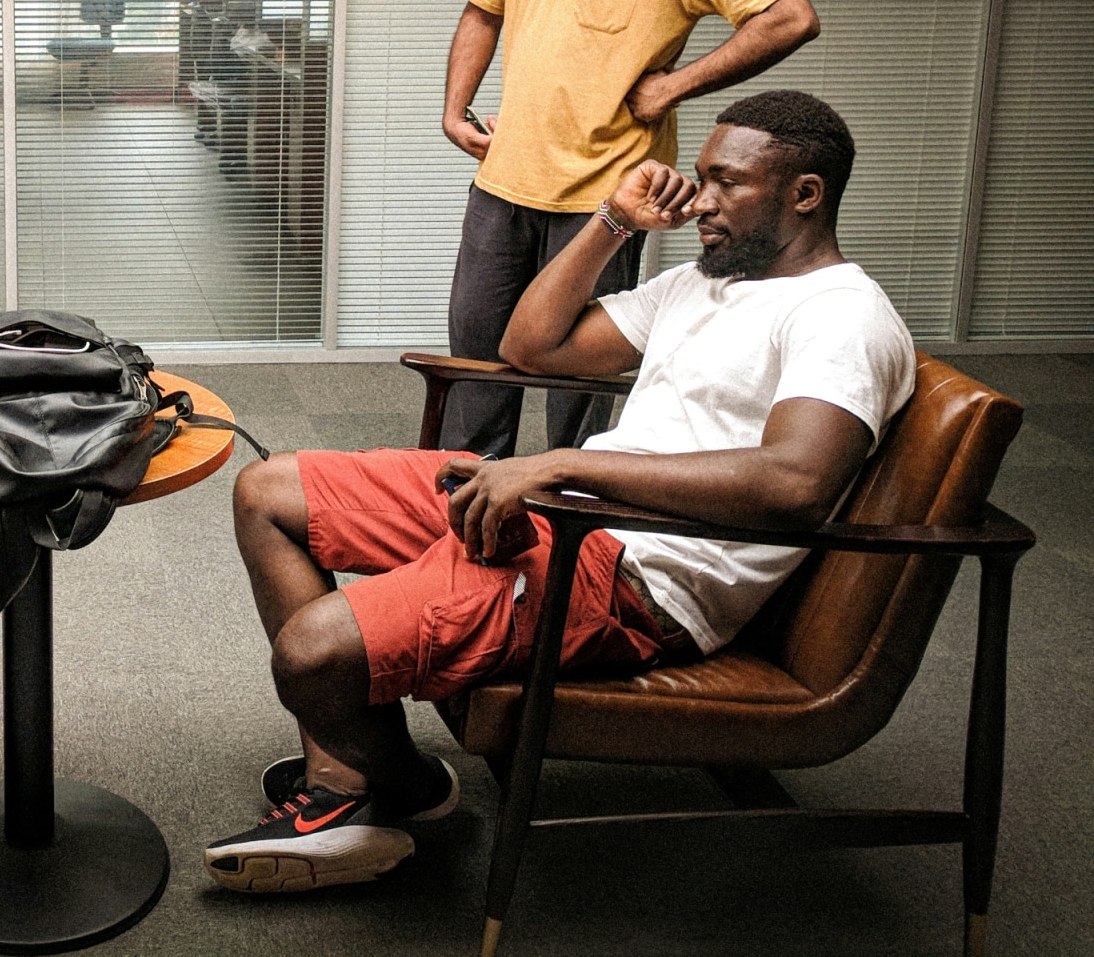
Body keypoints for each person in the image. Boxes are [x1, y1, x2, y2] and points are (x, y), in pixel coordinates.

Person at [208, 91, 912, 894]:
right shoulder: (699, 282)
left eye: (727, 182)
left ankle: (380, 783)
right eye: (702, 176)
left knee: (311, 655)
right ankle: (362, 781)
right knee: (269, 490)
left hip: (639, 580)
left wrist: (565, 466)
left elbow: (796, 482)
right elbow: (532, 345)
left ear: (806, 193)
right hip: (572, 517)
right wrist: (612, 221)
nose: (700, 200)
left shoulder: (842, 317)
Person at [440, 0, 821, 459]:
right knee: (476, 366)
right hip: (504, 181)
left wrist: (675, 86)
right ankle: (465, 500)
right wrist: (455, 107)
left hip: (605, 198)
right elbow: (483, 10)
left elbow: (790, 17)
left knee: (576, 381)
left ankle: (570, 503)